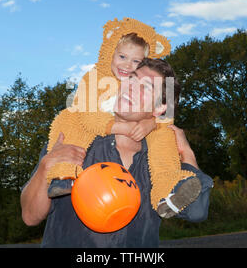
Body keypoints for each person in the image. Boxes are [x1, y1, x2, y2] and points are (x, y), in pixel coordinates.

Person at [21, 58, 214, 247]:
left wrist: (186, 153)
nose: (130, 87)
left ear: (160, 108)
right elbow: (30, 217)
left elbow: (196, 211)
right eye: (131, 78)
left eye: (145, 87)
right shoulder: (73, 139)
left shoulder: (161, 162)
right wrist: (46, 166)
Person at [44, 18, 198, 217]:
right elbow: (89, 115)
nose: (127, 66)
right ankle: (63, 173)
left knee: (164, 135)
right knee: (71, 119)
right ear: (111, 51)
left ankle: (167, 189)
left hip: (134, 128)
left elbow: (166, 115)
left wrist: (151, 123)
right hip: (92, 122)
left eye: (136, 61)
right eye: (122, 57)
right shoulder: (95, 78)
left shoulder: (138, 82)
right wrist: (119, 128)